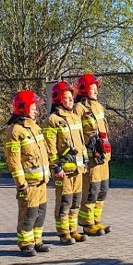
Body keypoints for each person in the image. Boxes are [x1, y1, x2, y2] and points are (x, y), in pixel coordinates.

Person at [4, 91, 51, 256]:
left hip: (41, 181)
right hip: (29, 184)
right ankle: (25, 243)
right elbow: (14, 161)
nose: (36, 111)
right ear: (23, 109)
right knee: (28, 214)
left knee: (40, 213)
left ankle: (37, 241)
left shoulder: (35, 128)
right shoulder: (15, 131)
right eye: (32, 108)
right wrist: (21, 183)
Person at [44, 81, 88, 245]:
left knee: (76, 201)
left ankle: (73, 230)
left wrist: (84, 161)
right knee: (64, 202)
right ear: (57, 99)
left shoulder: (75, 117)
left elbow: (81, 142)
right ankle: (63, 233)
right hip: (64, 171)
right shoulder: (53, 120)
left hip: (77, 169)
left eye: (71, 98)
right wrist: (56, 166)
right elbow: (50, 147)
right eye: (66, 98)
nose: (69, 101)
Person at [74, 74, 112, 235]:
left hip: (102, 156)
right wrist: (81, 158)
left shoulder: (98, 106)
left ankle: (96, 220)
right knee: (91, 190)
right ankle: (87, 223)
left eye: (97, 87)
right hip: (90, 158)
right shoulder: (79, 108)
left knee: (103, 189)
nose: (96, 90)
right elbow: (76, 135)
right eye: (93, 87)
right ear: (84, 89)